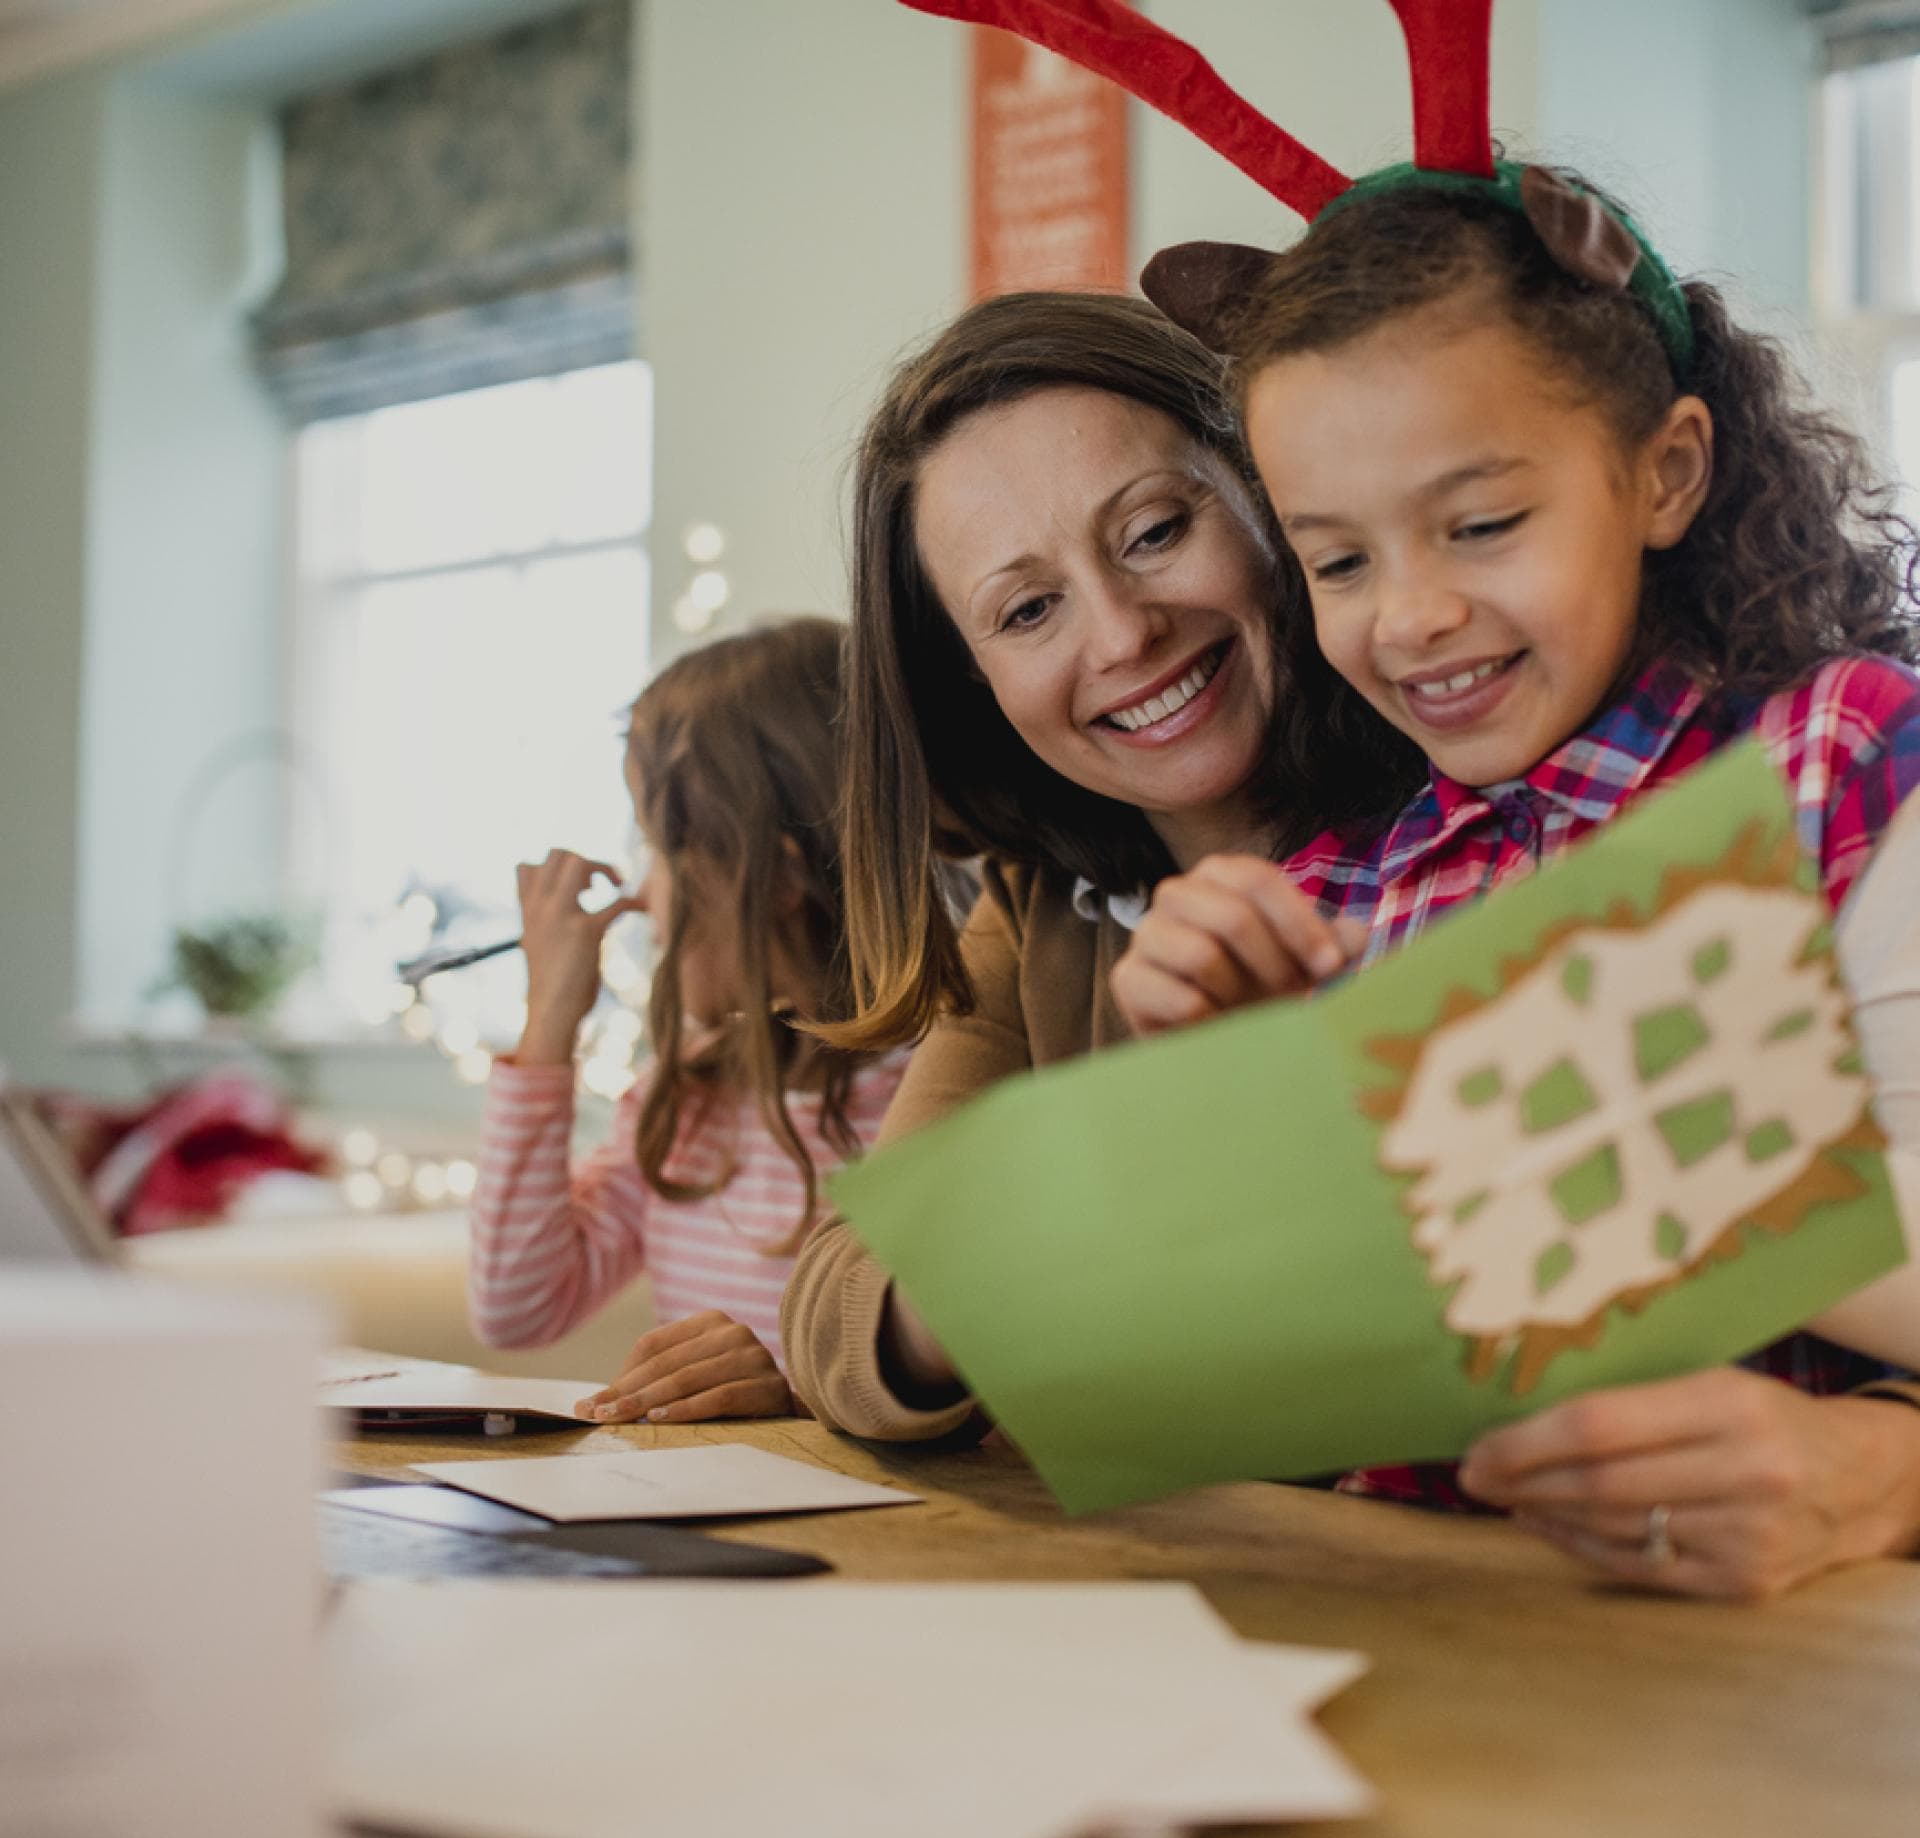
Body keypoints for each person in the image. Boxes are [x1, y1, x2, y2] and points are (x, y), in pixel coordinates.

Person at [1105, 172, 1920, 1597]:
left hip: (1772, 1668)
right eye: (1339, 560)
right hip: (1442, 1637)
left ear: (1664, 473)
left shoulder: (1841, 760)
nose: (1411, 614)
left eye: (1481, 526)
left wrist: (1539, 1140)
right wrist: (1217, 1117)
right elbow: (1247, 1392)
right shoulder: (1339, 883)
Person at [781, 291, 1420, 1439]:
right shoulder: (1040, 916)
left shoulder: (1479, 813)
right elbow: (841, 1316)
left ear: (1267, 498)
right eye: (1028, 610)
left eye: (1156, 533)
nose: (1124, 635)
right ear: (973, 679)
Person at [467, 618, 908, 1423]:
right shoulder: (688, 1097)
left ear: (775, 877)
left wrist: (798, 1393)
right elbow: (515, 1307)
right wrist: (547, 1030)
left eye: (657, 851)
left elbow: (976, 1401)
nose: (640, 897)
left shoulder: (932, 1101)